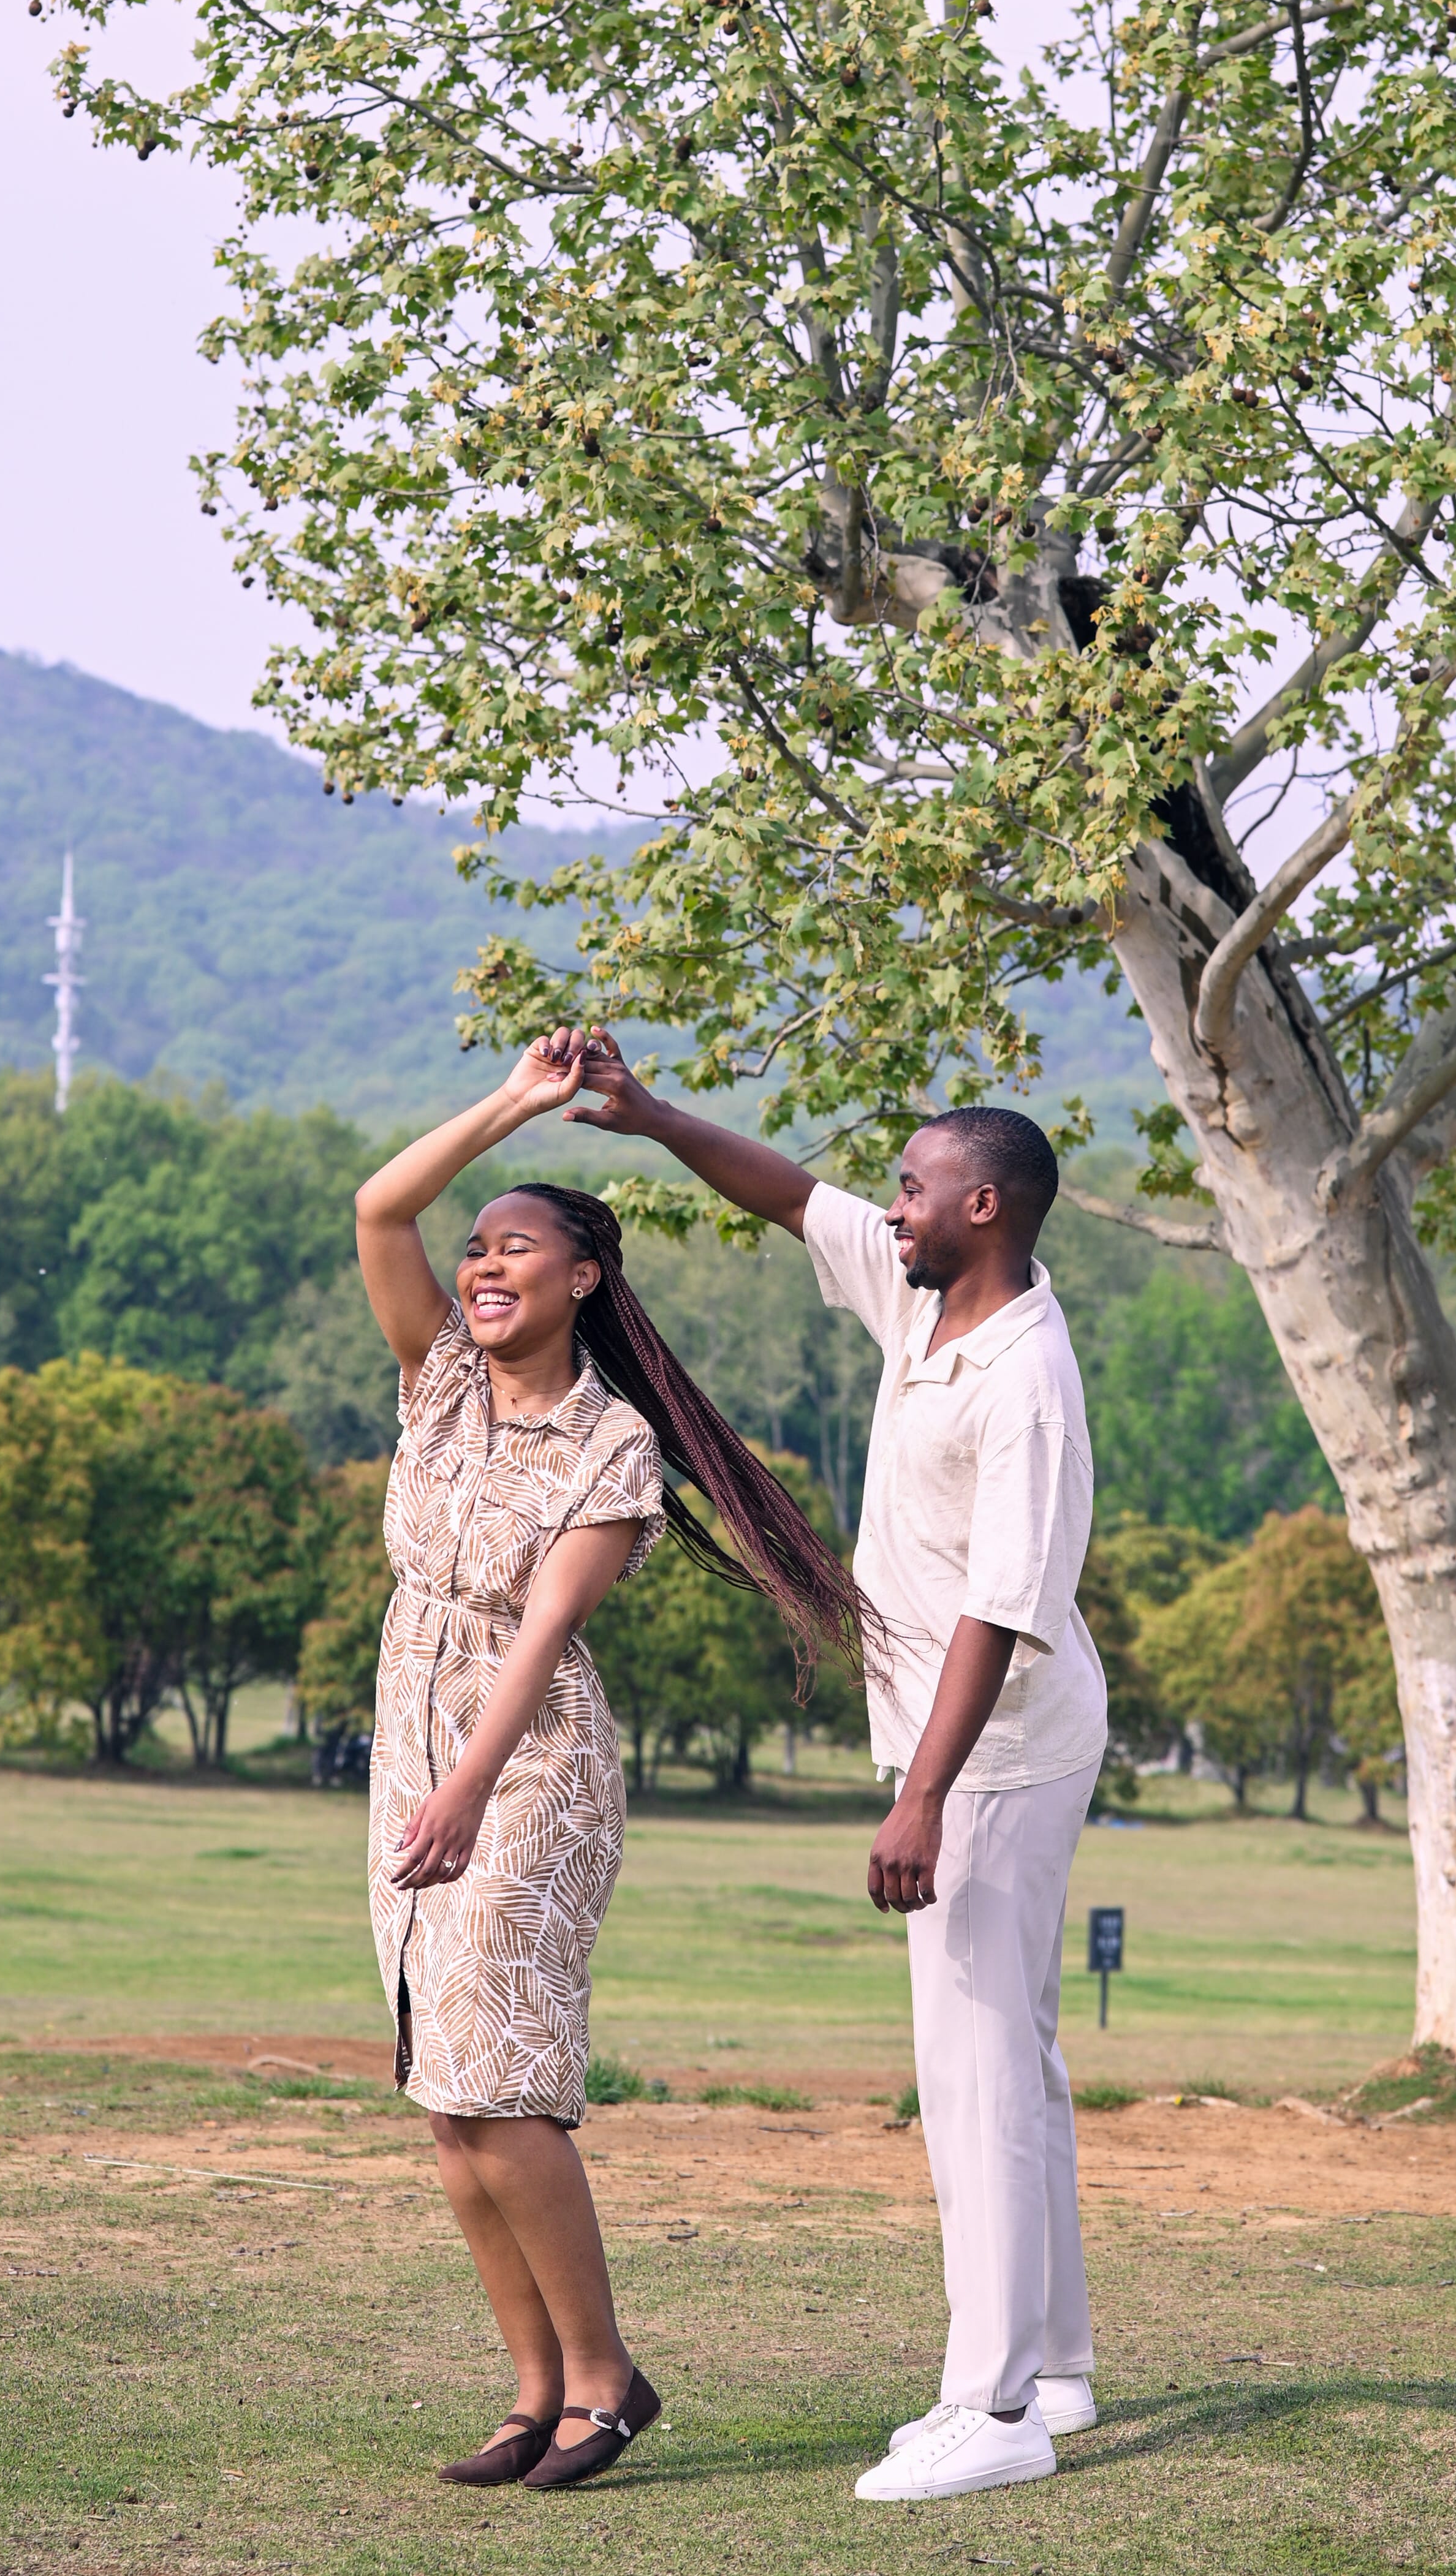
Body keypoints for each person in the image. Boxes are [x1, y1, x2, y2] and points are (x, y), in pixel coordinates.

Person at [567, 1042, 1108, 2507]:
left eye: (915, 1187)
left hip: (988, 1755)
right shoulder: (928, 1295)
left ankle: (989, 2407)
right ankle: (1054, 2364)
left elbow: (1004, 1609)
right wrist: (648, 1115)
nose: (892, 1204)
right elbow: (792, 1198)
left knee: (976, 2073)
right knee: (1017, 2061)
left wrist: (921, 1797)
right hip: (959, 1745)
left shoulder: (1025, 1379)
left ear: (982, 1206)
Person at [353, 1025, 870, 2493]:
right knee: (445, 2094)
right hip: (413, 1734)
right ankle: (529, 2394)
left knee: (503, 2077)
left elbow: (540, 1639)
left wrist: (466, 1791)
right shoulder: (438, 1384)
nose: (482, 1265)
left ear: (584, 1278)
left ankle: (605, 2376)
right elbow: (378, 1209)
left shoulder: (611, 1447)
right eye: (479, 1252)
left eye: (516, 1247)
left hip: (526, 1768)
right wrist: (514, 1108)